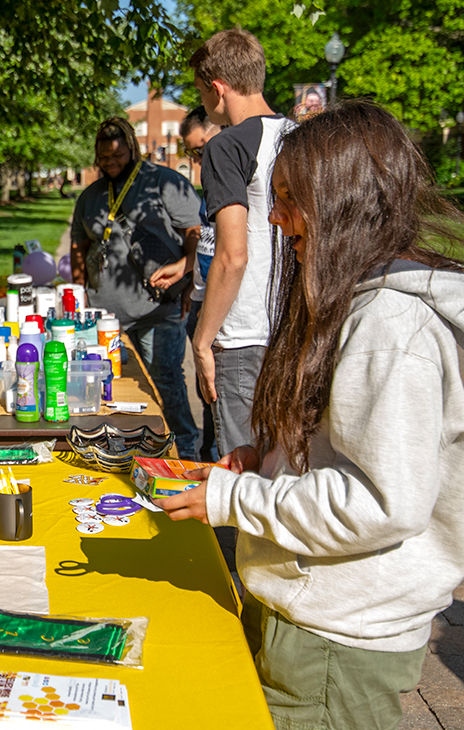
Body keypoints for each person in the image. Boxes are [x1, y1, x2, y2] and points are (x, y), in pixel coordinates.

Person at [158, 101, 464, 730]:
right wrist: (268, 460)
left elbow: (381, 500)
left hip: (338, 638)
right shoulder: (354, 302)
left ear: (341, 201)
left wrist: (236, 497)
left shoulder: (392, 327)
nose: (274, 216)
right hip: (308, 613)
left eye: (288, 198)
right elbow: (341, 449)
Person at [188, 29, 296, 457]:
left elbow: (232, 256)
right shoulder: (302, 137)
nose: (203, 105)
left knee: (238, 475)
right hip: (292, 327)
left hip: (243, 334)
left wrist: (202, 340)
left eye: (201, 92)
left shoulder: (225, 147)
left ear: (217, 87)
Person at [70, 117, 202, 459]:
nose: (110, 163)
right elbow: (78, 246)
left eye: (117, 155)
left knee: (166, 383)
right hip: (104, 317)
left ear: (133, 147)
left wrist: (188, 275)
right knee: (109, 391)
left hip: (155, 311)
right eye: (104, 157)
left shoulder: (165, 182)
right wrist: (77, 291)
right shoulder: (91, 196)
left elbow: (194, 233)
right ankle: (124, 453)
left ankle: (185, 452)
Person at [179, 106, 223, 463]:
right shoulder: (210, 184)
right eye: (192, 152)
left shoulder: (231, 180)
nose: (198, 159)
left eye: (202, 148)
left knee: (222, 414)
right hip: (200, 303)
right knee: (208, 405)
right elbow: (208, 243)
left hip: (221, 316)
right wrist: (186, 272)